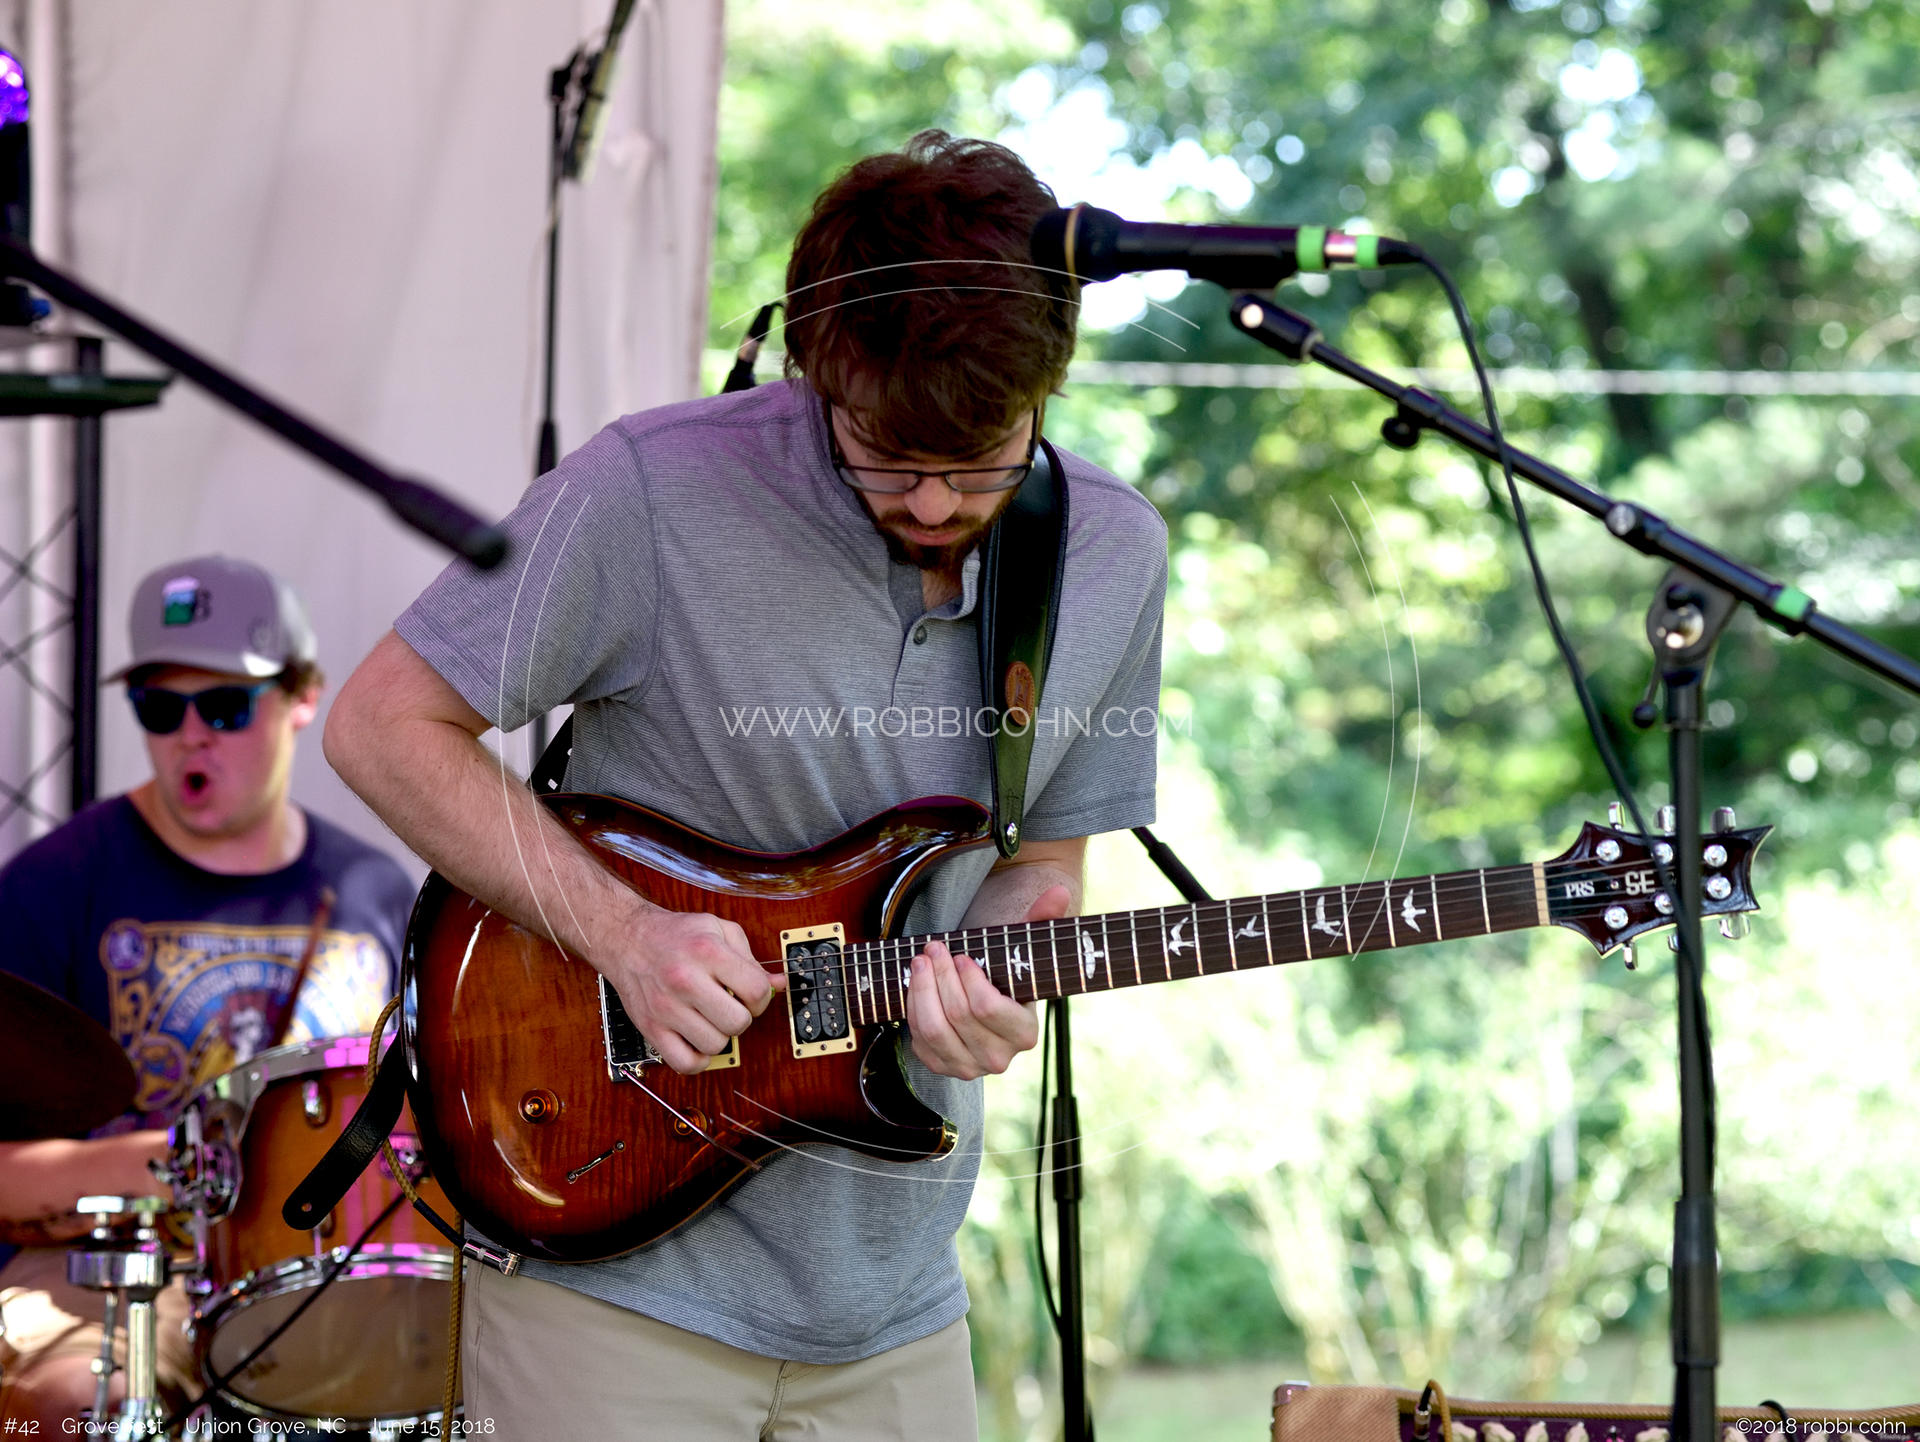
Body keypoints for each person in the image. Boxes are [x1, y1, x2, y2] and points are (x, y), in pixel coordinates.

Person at [324, 130, 1168, 1439]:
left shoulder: (1112, 550)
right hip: (608, 1276)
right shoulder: (650, 489)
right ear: (813, 366)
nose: (931, 501)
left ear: (1047, 383)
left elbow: (1043, 862)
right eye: (883, 449)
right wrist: (626, 932)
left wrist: (1002, 972)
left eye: (979, 457)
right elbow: (383, 725)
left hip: (897, 1296)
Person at [0, 555, 417, 1426]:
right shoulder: (52, 885)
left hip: (337, 1275)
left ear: (303, 697)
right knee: (72, 1404)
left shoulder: (377, 893)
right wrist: (160, 1165)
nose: (191, 734)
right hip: (117, 1269)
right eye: (160, 706)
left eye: (225, 706)